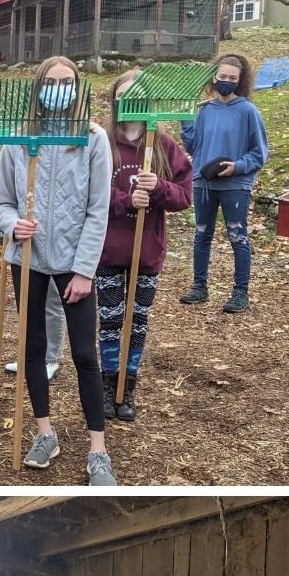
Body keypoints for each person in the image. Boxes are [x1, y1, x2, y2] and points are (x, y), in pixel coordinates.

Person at [0, 56, 116, 485]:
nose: (58, 89)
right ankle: (45, 432)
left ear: (77, 88)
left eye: (67, 82)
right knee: (33, 348)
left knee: (84, 353)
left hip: (72, 261)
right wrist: (12, 224)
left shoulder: (93, 139)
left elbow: (98, 211)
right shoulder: (19, 140)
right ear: (39, 88)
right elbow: (2, 203)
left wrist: (84, 270)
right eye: (51, 82)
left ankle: (98, 450)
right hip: (27, 259)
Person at [98, 69, 192, 421]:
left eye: (139, 94)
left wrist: (159, 188)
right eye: (124, 94)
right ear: (116, 100)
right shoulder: (103, 142)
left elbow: (184, 196)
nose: (131, 100)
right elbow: (88, 192)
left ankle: (128, 384)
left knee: (137, 321)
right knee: (110, 319)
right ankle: (109, 383)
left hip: (146, 252)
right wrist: (125, 200)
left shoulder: (164, 145)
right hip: (108, 249)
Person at [178, 53, 268, 314]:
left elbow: (259, 153)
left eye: (232, 78)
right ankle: (199, 286)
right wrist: (185, 118)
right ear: (214, 77)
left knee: (237, 236)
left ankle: (240, 292)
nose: (225, 81)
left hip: (235, 185)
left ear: (240, 81)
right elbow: (193, 145)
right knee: (201, 235)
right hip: (203, 183)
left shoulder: (247, 110)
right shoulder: (205, 109)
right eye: (222, 76)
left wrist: (236, 167)